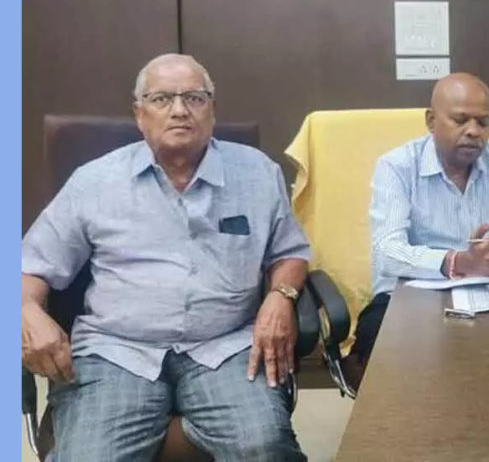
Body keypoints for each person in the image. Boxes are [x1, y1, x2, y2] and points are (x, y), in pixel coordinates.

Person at [21, 54, 309, 461]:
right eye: (161, 99)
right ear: (139, 114)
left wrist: (281, 296)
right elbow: (30, 267)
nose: (179, 110)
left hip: (225, 347)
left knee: (264, 448)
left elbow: (290, 253)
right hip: (117, 351)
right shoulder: (94, 181)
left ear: (212, 109)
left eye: (194, 98)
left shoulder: (258, 173)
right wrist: (27, 311)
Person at [342, 72, 489, 391]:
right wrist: (458, 262)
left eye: (483, 122)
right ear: (431, 121)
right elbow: (387, 252)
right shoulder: (396, 166)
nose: (474, 131)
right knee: (383, 351)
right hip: (409, 297)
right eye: (460, 120)